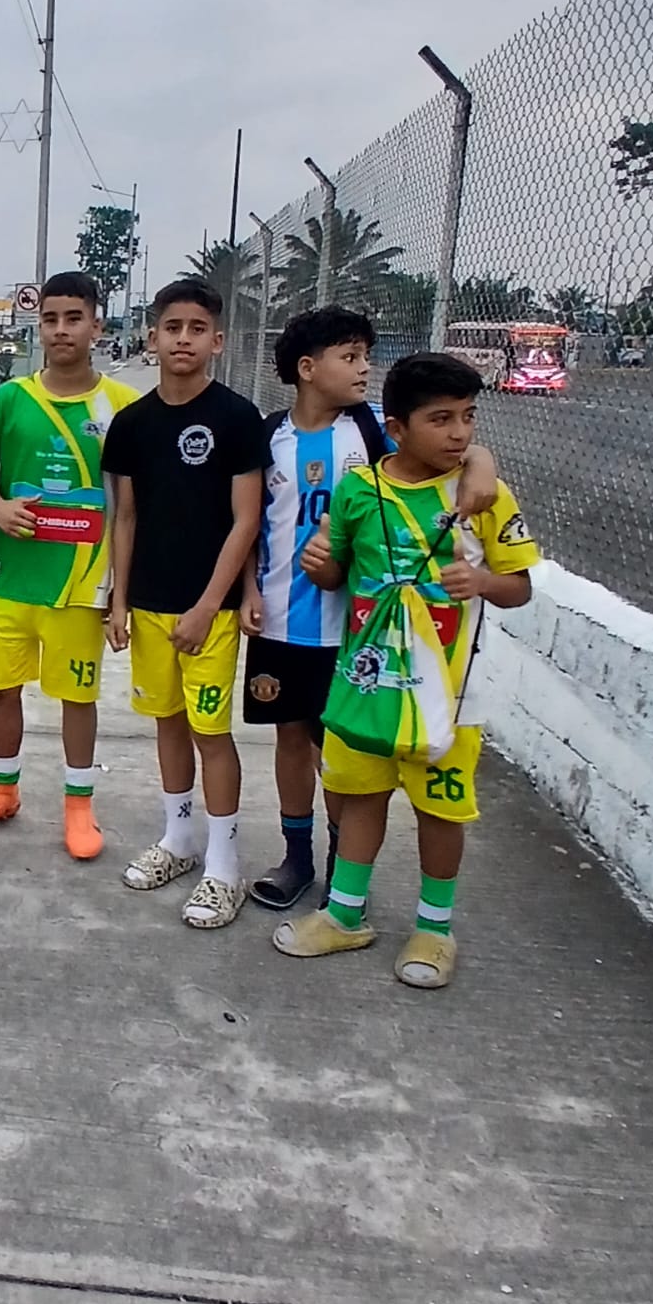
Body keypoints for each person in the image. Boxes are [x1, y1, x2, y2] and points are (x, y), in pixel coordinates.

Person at [273, 353, 538, 989]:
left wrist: (482, 582)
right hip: (367, 682)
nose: (459, 433)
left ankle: (434, 928)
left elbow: (520, 587)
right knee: (361, 795)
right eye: (440, 419)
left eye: (468, 417)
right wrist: (321, 566)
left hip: (448, 694)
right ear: (396, 428)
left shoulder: (483, 495)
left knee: (440, 810)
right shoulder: (359, 490)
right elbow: (337, 573)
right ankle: (345, 914)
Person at [239, 306, 499, 911]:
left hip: (356, 631)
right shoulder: (269, 433)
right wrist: (250, 590)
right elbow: (252, 522)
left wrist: (482, 463)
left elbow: (454, 448)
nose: (365, 368)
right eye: (351, 357)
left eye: (366, 356)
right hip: (281, 618)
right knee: (289, 738)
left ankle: (342, 867)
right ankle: (296, 857)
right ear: (308, 369)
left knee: (338, 748)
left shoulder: (375, 427)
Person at [0, 270, 141, 859]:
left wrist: (121, 596)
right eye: (51, 319)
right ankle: (3, 792)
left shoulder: (123, 407)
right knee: (1, 688)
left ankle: (79, 806)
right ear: (40, 326)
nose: (61, 330)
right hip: (12, 578)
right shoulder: (10, 399)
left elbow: (130, 509)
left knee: (76, 697)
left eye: (73, 318)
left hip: (81, 584)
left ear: (96, 327)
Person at [103, 277, 265, 928]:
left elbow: (245, 520)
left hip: (210, 613)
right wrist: (118, 599)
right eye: (172, 327)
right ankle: (179, 838)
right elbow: (125, 517)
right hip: (148, 604)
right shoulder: (131, 424)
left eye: (197, 329)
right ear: (153, 336)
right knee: (166, 722)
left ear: (217, 341)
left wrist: (209, 604)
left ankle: (224, 866)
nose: (183, 339)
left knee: (209, 732)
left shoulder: (237, 418)